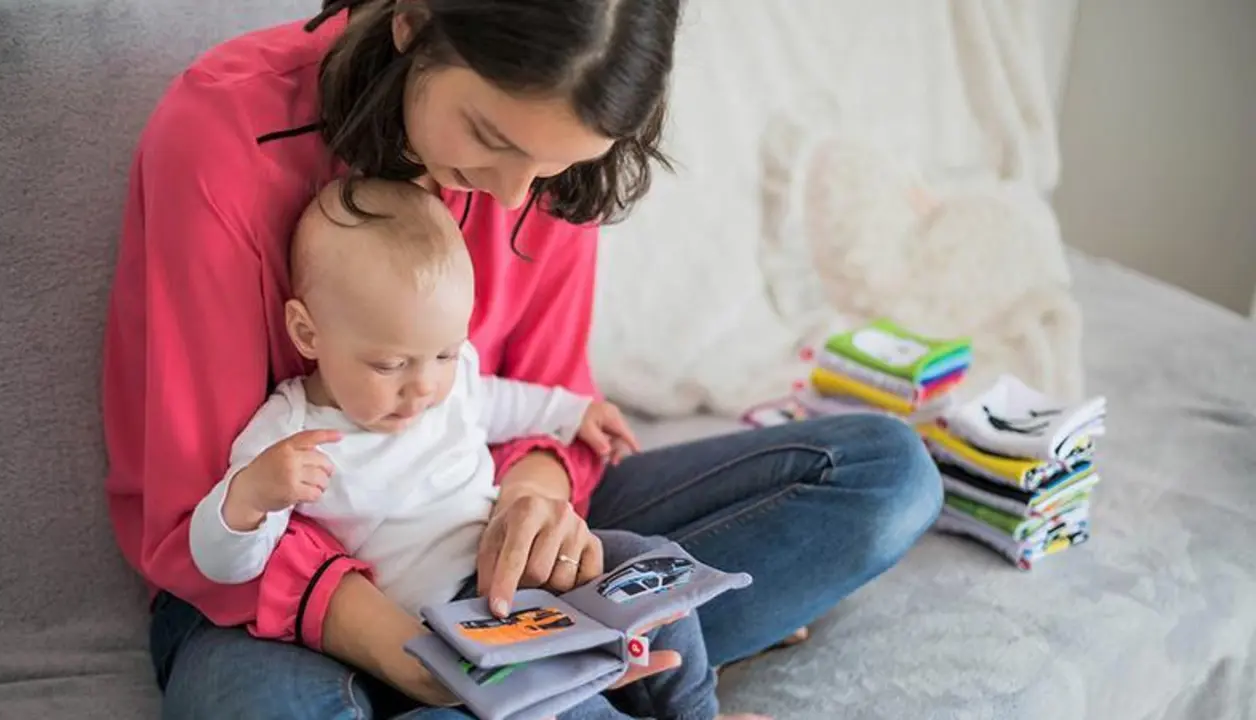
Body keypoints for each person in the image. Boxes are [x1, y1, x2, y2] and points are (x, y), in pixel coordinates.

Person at [101, 0, 944, 718]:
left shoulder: (544, 169)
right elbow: (196, 511)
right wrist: (418, 658)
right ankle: (561, 679)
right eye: (488, 136)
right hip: (265, 588)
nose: (511, 197)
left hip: (476, 532)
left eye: (559, 164)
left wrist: (533, 514)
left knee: (886, 476)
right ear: (414, 21)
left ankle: (569, 666)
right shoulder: (220, 139)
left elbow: (545, 398)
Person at [186, 177, 753, 719]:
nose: (424, 388)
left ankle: (695, 712)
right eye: (389, 365)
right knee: (550, 695)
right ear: (308, 333)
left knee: (649, 563)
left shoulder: (446, 382)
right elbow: (224, 563)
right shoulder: (290, 431)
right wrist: (252, 495)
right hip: (446, 617)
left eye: (445, 355)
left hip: (515, 560)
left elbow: (501, 403)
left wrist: (572, 412)